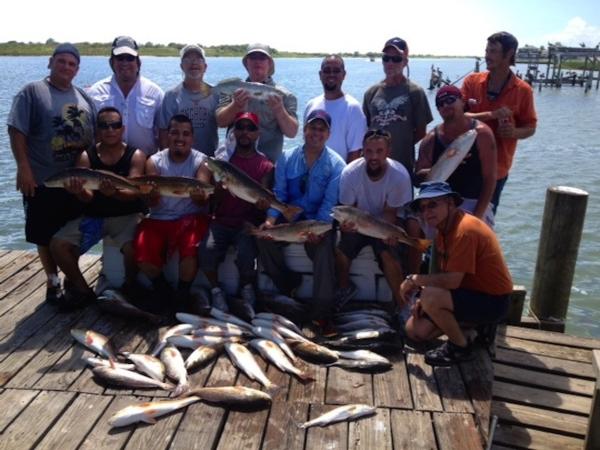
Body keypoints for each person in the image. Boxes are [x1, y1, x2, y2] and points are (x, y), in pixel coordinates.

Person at [7, 43, 95, 306]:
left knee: (68, 233)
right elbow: (16, 131)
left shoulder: (83, 97)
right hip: (42, 178)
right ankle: (52, 281)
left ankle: (69, 277)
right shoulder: (32, 92)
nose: (66, 67)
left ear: (77, 69)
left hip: (76, 181)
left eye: (71, 64)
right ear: (50, 62)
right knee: (43, 235)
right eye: (61, 62)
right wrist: (24, 168)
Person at [401, 181, 513, 366]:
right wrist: (422, 301)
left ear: (451, 203)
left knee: (430, 296)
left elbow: (452, 281)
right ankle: (473, 327)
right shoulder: (442, 232)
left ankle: (460, 347)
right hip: (466, 294)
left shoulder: (465, 230)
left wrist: (414, 280)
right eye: (423, 208)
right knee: (415, 331)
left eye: (433, 205)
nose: (427, 212)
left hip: (494, 301)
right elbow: (440, 275)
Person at [50, 107, 146, 308]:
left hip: (125, 216)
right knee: (57, 245)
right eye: (104, 125)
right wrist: (78, 191)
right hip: (94, 217)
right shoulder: (86, 156)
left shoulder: (135, 155)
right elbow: (87, 198)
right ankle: (84, 291)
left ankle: (130, 287)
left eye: (115, 125)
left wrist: (116, 193)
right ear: (97, 130)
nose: (110, 129)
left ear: (122, 129)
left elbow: (135, 193)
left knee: (134, 248)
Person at [256, 109, 345, 320]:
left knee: (324, 248)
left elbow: (329, 205)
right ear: (304, 130)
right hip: (290, 220)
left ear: (329, 134)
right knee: (263, 239)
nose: (316, 133)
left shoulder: (337, 165)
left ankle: (322, 310)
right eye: (312, 127)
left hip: (318, 222)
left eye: (321, 129)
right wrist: (270, 221)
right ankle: (287, 284)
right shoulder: (286, 157)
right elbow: (279, 194)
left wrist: (319, 230)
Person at [134, 114, 212, 314]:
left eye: (186, 134)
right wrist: (151, 196)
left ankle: (183, 294)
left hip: (191, 217)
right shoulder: (154, 162)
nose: (180, 138)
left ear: (192, 138)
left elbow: (204, 198)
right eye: (175, 132)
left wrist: (199, 196)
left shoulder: (201, 162)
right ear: (167, 136)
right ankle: (164, 290)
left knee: (190, 248)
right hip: (159, 218)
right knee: (142, 251)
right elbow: (152, 202)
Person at [200, 112, 274, 314]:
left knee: (246, 253)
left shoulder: (265, 165)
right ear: (233, 132)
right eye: (240, 127)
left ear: (257, 134)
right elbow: (212, 201)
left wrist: (263, 206)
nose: (245, 132)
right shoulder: (223, 161)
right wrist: (219, 191)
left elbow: (265, 203)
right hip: (221, 221)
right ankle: (216, 291)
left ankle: (246, 288)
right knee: (206, 251)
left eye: (250, 128)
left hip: (246, 223)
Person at [461, 31, 537, 213]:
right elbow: (457, 118)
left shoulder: (523, 90)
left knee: (483, 223)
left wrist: (514, 133)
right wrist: (491, 114)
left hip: (497, 170)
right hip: (463, 164)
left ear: (509, 54)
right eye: (487, 50)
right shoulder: (471, 81)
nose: (487, 55)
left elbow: (531, 127)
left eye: (493, 51)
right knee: (453, 221)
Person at [335, 129, 412, 306]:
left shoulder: (399, 175)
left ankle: (402, 304)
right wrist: (345, 226)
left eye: (379, 151)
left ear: (388, 152)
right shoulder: (350, 173)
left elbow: (391, 212)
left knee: (388, 254)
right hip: (358, 222)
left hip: (384, 223)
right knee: (340, 250)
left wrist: (390, 234)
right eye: (369, 151)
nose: (374, 156)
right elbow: (349, 209)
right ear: (362, 151)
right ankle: (344, 288)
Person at [415, 85, 497, 227]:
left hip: (473, 202)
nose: (445, 105)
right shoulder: (430, 140)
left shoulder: (482, 134)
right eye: (440, 104)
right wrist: (445, 163)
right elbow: (418, 179)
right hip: (439, 202)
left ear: (462, 101)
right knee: (413, 223)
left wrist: (476, 218)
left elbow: (490, 179)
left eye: (450, 100)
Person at [215, 43, 298, 162]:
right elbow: (220, 122)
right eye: (253, 57)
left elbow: (292, 132)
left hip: (268, 165)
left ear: (269, 63)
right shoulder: (233, 88)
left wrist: (279, 110)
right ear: (246, 63)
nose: (257, 61)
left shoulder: (285, 95)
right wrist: (235, 106)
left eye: (262, 58)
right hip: (235, 163)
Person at [363, 37, 433, 175]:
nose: (390, 63)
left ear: (405, 62)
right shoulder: (371, 93)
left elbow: (421, 132)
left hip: (402, 167)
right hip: (373, 167)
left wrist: (399, 146)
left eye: (396, 59)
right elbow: (365, 128)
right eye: (386, 58)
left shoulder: (415, 92)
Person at [88, 36, 164, 156]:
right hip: (105, 165)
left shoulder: (156, 93)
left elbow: (162, 134)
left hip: (146, 165)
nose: (124, 63)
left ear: (138, 62)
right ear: (112, 62)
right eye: (119, 58)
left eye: (130, 58)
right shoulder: (95, 92)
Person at [304, 55, 367, 163]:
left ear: (343, 75)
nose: (331, 75)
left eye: (336, 71)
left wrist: (344, 179)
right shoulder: (311, 105)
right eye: (327, 71)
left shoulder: (353, 108)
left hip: (339, 177)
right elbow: (306, 144)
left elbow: (355, 153)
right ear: (320, 74)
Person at [159, 44, 219, 156]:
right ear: (181, 66)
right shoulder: (171, 96)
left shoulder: (216, 94)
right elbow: (163, 132)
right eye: (188, 59)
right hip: (179, 160)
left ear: (205, 66)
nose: (194, 62)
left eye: (198, 59)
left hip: (209, 160)